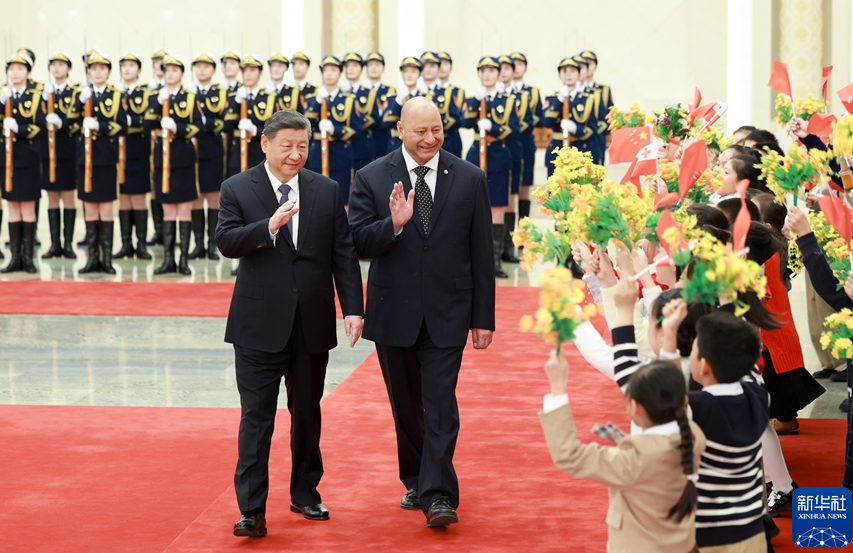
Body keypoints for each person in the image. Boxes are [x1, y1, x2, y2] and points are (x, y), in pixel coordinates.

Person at [216, 109, 363, 538]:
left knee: (307, 414)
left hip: (310, 322)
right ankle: (251, 510)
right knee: (256, 417)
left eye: (303, 146)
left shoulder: (326, 189)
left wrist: (353, 308)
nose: (295, 154)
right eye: (287, 146)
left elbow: (343, 253)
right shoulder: (237, 188)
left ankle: (305, 492)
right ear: (265, 144)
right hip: (258, 324)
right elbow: (226, 241)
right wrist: (268, 227)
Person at [348, 97, 495, 527]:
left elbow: (481, 253)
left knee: (441, 403)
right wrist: (393, 225)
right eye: (421, 131)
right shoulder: (372, 177)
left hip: (450, 310)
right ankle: (416, 478)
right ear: (400, 130)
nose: (431, 139)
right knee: (406, 405)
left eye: (437, 130)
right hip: (393, 310)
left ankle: (440, 494)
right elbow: (357, 242)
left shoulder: (470, 177)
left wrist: (483, 317)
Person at [540, 355, 705, 553]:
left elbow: (570, 455)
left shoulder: (636, 460)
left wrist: (557, 388)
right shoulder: (694, 435)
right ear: (684, 402)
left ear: (634, 408)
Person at [460, 56, 519, 278]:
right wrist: (476, 101)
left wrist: (493, 127)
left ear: (498, 74)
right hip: (476, 155)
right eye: (483, 71)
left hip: (498, 157)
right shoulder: (474, 99)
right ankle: (472, 259)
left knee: (497, 209)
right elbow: (465, 122)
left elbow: (514, 130)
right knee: (471, 208)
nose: (487, 74)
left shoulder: (508, 101)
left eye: (491, 70)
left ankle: (494, 262)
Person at [145, 55, 202, 275]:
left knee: (184, 210)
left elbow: (198, 127)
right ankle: (168, 260)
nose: (169, 74)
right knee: (168, 210)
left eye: (174, 70)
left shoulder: (190, 98)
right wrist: (158, 103)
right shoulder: (156, 97)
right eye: (166, 70)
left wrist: (177, 128)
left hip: (183, 159)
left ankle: (183, 261)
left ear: (181, 74)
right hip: (163, 160)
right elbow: (146, 125)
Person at [71, 51, 127, 275]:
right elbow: (67, 121)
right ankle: (92, 259)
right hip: (85, 160)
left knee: (105, 210)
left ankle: (107, 260)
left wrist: (100, 127)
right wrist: (79, 102)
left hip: (106, 159)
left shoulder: (115, 96)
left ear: (109, 72)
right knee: (90, 210)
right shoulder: (81, 95)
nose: (97, 72)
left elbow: (122, 126)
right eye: (93, 69)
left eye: (102, 69)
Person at [0, 51, 45, 273]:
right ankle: (15, 258)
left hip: (28, 159)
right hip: (7, 160)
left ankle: (28, 259)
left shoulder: (35, 97)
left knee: (27, 208)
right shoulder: (2, 95)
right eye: (11, 69)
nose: (15, 73)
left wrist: (20, 129)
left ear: (28, 73)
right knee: (12, 208)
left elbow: (41, 128)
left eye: (19, 69)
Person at [303, 55, 364, 205]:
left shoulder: (348, 100)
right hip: (317, 155)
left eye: (333, 70)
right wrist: (317, 102)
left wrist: (335, 130)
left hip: (340, 157)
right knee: (316, 200)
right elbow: (304, 124)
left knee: (340, 200)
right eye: (326, 70)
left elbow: (357, 131)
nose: (329, 73)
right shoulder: (312, 99)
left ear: (340, 73)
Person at [188, 53, 228, 261]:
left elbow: (225, 122)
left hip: (212, 150)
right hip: (192, 152)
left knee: (213, 198)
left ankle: (212, 244)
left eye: (206, 66)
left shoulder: (220, 94)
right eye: (198, 66)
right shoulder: (188, 93)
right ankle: (198, 244)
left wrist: (205, 123)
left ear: (213, 70)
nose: (202, 70)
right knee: (195, 197)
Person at [40, 52, 79, 260]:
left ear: (68, 69)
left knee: (68, 197)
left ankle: (68, 244)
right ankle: (55, 244)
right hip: (48, 152)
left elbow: (78, 121)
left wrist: (61, 123)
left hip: (68, 150)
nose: (57, 68)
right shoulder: (43, 94)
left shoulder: (75, 94)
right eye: (53, 65)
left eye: (61, 65)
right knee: (52, 197)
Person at [113, 53, 153, 260]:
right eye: (124, 66)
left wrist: (129, 123)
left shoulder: (146, 94)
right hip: (118, 153)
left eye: (131, 65)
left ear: (139, 70)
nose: (127, 69)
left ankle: (141, 245)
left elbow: (148, 120)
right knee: (123, 200)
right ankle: (125, 244)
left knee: (138, 199)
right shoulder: (114, 94)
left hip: (139, 151)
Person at [542, 57, 599, 176]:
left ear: (579, 75)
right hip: (556, 153)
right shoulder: (552, 98)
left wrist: (576, 129)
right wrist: (559, 99)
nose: (568, 75)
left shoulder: (587, 99)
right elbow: (546, 122)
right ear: (559, 75)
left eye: (572, 71)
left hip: (579, 152)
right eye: (564, 71)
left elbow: (593, 130)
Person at [223, 55, 277, 179]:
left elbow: (274, 130)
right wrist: (237, 102)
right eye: (245, 70)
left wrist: (255, 130)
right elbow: (226, 126)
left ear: (260, 73)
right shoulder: (233, 96)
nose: (248, 74)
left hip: (259, 154)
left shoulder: (269, 98)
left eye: (252, 70)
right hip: (237, 155)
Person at [498, 54, 528, 264]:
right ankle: (499, 247)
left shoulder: (522, 96)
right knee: (499, 199)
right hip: (494, 153)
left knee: (511, 198)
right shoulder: (489, 96)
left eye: (508, 68)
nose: (504, 72)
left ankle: (510, 245)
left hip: (515, 149)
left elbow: (527, 122)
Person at [509, 52, 541, 230]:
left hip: (526, 143)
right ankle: (508, 235)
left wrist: (517, 126)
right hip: (508, 144)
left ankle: (523, 231)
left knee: (524, 186)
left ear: (526, 68)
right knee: (508, 190)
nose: (516, 68)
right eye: (512, 64)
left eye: (520, 64)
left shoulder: (532, 92)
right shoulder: (501, 92)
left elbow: (538, 117)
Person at [378, 56, 424, 155]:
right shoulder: (393, 98)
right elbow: (385, 123)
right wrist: (399, 100)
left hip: (419, 143)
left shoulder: (425, 97)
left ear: (420, 74)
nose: (409, 75)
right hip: (396, 144)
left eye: (413, 71)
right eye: (405, 71)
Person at [341, 52, 379, 171]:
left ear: (362, 69)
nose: (351, 69)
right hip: (341, 147)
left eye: (355, 66)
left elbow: (375, 120)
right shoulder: (338, 93)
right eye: (348, 66)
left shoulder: (368, 93)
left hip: (362, 145)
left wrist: (356, 117)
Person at [365, 52, 394, 160]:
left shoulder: (389, 91)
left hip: (383, 138)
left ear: (383, 68)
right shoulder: (360, 92)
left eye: (377, 65)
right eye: (370, 65)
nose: (373, 68)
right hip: (364, 139)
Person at [437, 52, 465, 158]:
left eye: (445, 64)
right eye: (439, 63)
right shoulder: (426, 92)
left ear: (451, 68)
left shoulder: (458, 92)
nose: (441, 67)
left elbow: (460, 118)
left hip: (452, 139)